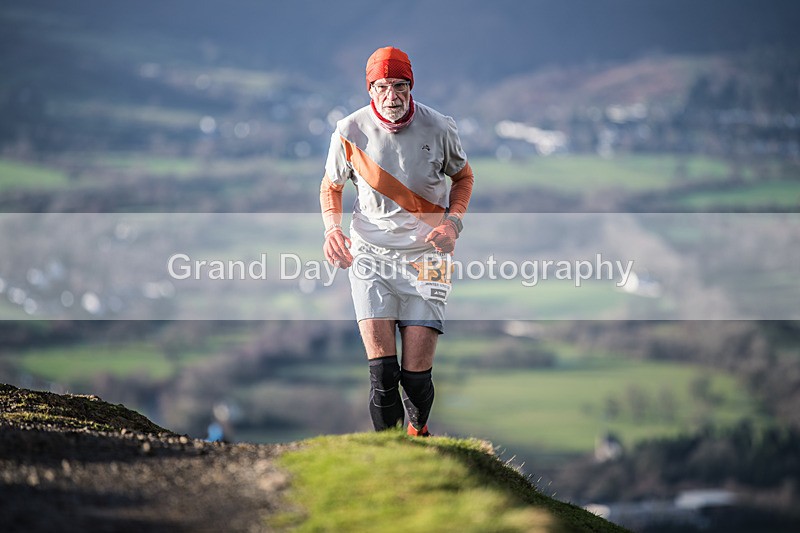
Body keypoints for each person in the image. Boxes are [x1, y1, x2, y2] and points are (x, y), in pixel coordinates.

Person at [320, 46, 474, 437]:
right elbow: (331, 185)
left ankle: (417, 433)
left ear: (411, 86)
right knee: (383, 373)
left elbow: (464, 178)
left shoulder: (440, 127)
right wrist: (332, 230)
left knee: (415, 377)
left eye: (400, 86)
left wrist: (453, 224)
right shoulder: (349, 131)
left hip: (428, 257)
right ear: (370, 89)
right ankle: (389, 458)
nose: (392, 96)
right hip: (370, 255)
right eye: (383, 87)